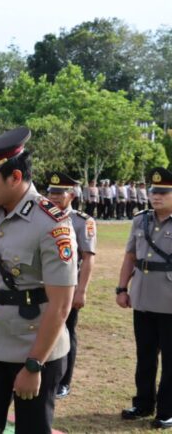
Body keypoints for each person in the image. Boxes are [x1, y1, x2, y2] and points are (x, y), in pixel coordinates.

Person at [0, 127, 77, 434]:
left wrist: (34, 366)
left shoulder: (52, 224)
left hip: (37, 349)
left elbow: (61, 306)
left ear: (16, 178)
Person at [116, 167, 172, 429]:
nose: (156, 197)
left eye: (163, 192)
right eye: (153, 192)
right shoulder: (141, 221)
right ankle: (143, 403)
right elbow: (130, 256)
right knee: (145, 355)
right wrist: (121, 288)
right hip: (143, 297)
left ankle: (167, 410)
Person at [46, 172, 97, 399]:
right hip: (44, 285)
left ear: (72, 195)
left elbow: (88, 257)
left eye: (60, 193)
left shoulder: (82, 221)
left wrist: (81, 290)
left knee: (66, 331)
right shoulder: (43, 216)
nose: (54, 197)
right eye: (51, 192)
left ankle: (63, 381)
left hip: (68, 286)